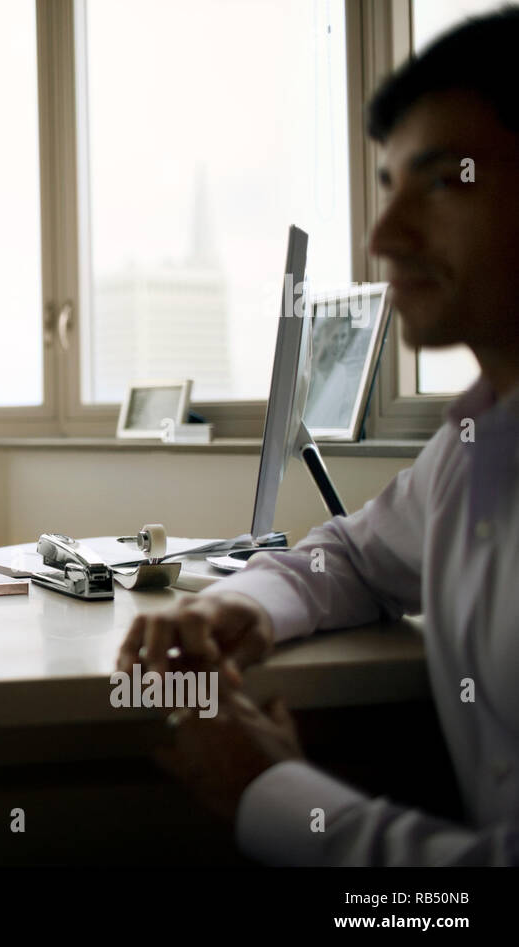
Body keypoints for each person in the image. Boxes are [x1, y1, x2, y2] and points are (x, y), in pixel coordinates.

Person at [118, 8, 519, 865]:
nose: (381, 238)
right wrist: (246, 607)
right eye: (388, 185)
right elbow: (357, 556)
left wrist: (265, 791)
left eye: (445, 181)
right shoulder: (478, 444)